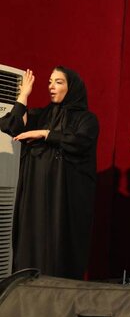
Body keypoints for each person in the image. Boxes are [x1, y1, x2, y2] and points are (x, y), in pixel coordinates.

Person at [0, 67, 98, 279]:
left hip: (64, 195)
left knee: (59, 244)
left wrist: (46, 134)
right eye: (50, 82)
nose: (51, 87)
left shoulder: (86, 119)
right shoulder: (39, 115)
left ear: (71, 87)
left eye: (58, 82)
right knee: (32, 238)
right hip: (35, 193)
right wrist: (23, 96)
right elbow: (10, 125)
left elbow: (80, 142)